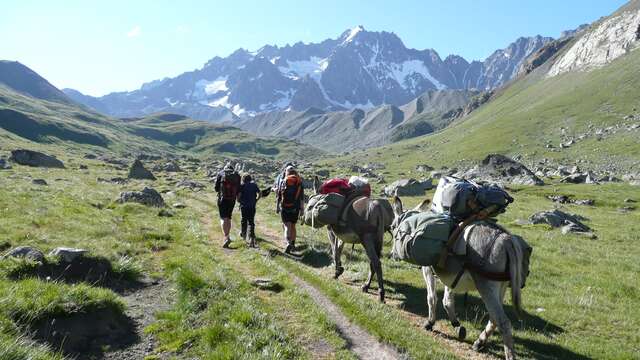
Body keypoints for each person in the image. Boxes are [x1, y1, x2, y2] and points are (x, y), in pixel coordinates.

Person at [214, 163, 241, 248]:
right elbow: (239, 189)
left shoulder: (221, 173)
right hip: (232, 200)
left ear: (225, 168)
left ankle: (226, 237)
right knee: (228, 217)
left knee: (223, 218)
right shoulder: (237, 175)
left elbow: (216, 188)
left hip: (222, 199)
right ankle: (227, 236)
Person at [278, 167, 304, 253]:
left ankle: (288, 242)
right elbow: (301, 198)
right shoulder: (299, 183)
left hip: (285, 207)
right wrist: (302, 210)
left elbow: (279, 195)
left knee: (286, 226)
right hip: (295, 208)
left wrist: (278, 206)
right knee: (293, 226)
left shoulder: (283, 181)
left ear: (287, 173)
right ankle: (293, 244)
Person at [237, 173, 261, 248]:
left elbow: (239, 196)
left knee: (244, 220)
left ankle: (244, 236)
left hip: (244, 206)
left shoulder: (242, 186)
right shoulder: (254, 185)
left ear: (243, 179)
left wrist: (239, 201)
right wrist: (256, 200)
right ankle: (252, 238)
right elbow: (260, 193)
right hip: (252, 206)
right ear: (250, 179)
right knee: (251, 222)